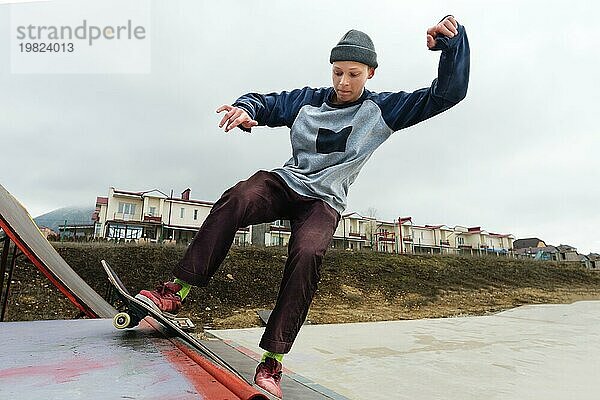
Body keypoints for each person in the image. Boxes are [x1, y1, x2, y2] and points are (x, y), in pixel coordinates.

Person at [137, 15, 469, 398]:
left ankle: (272, 361)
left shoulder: (385, 110)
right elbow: (264, 102)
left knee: (309, 252)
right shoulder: (307, 100)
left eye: (354, 75)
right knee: (239, 196)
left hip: (324, 202)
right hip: (286, 184)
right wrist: (248, 110)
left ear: (371, 74)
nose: (344, 84)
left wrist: (452, 45)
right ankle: (175, 291)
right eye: (338, 73)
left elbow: (446, 95)